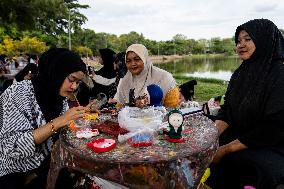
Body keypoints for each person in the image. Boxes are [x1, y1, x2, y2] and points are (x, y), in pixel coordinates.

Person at [207, 19, 284, 189]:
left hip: (269, 143)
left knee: (249, 166)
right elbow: (227, 111)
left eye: (248, 39)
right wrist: (210, 139)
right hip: (239, 134)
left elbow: (273, 128)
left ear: (265, 40)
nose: (240, 45)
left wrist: (226, 149)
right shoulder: (240, 73)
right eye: (238, 41)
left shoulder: (279, 74)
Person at [0, 48, 92, 189]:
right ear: (55, 72)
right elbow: (13, 147)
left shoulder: (58, 97)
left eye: (78, 82)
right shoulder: (18, 93)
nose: (74, 87)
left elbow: (62, 132)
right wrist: (59, 121)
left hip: (45, 165)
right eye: (71, 80)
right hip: (16, 171)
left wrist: (81, 117)